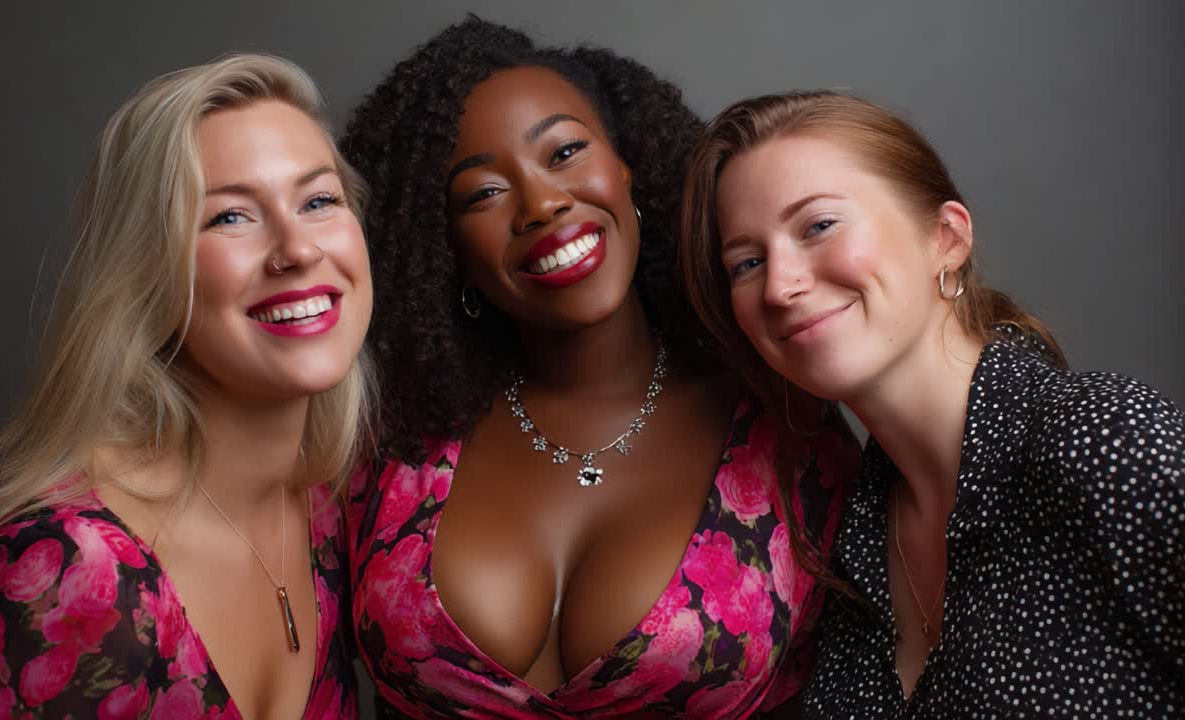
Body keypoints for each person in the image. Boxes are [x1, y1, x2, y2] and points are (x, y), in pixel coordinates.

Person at [339, 19, 859, 719]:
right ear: (441, 247)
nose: (542, 204)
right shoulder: (387, 440)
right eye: (483, 193)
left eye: (564, 152)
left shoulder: (787, 422)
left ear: (626, 167)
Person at [679, 90, 1184, 718]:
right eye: (747, 263)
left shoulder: (1106, 438)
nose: (780, 286)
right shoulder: (844, 536)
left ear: (946, 237)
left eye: (819, 226)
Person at [0, 54, 374, 718]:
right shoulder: (67, 572)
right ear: (149, 271)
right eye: (229, 217)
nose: (298, 250)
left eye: (319, 201)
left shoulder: (327, 505)